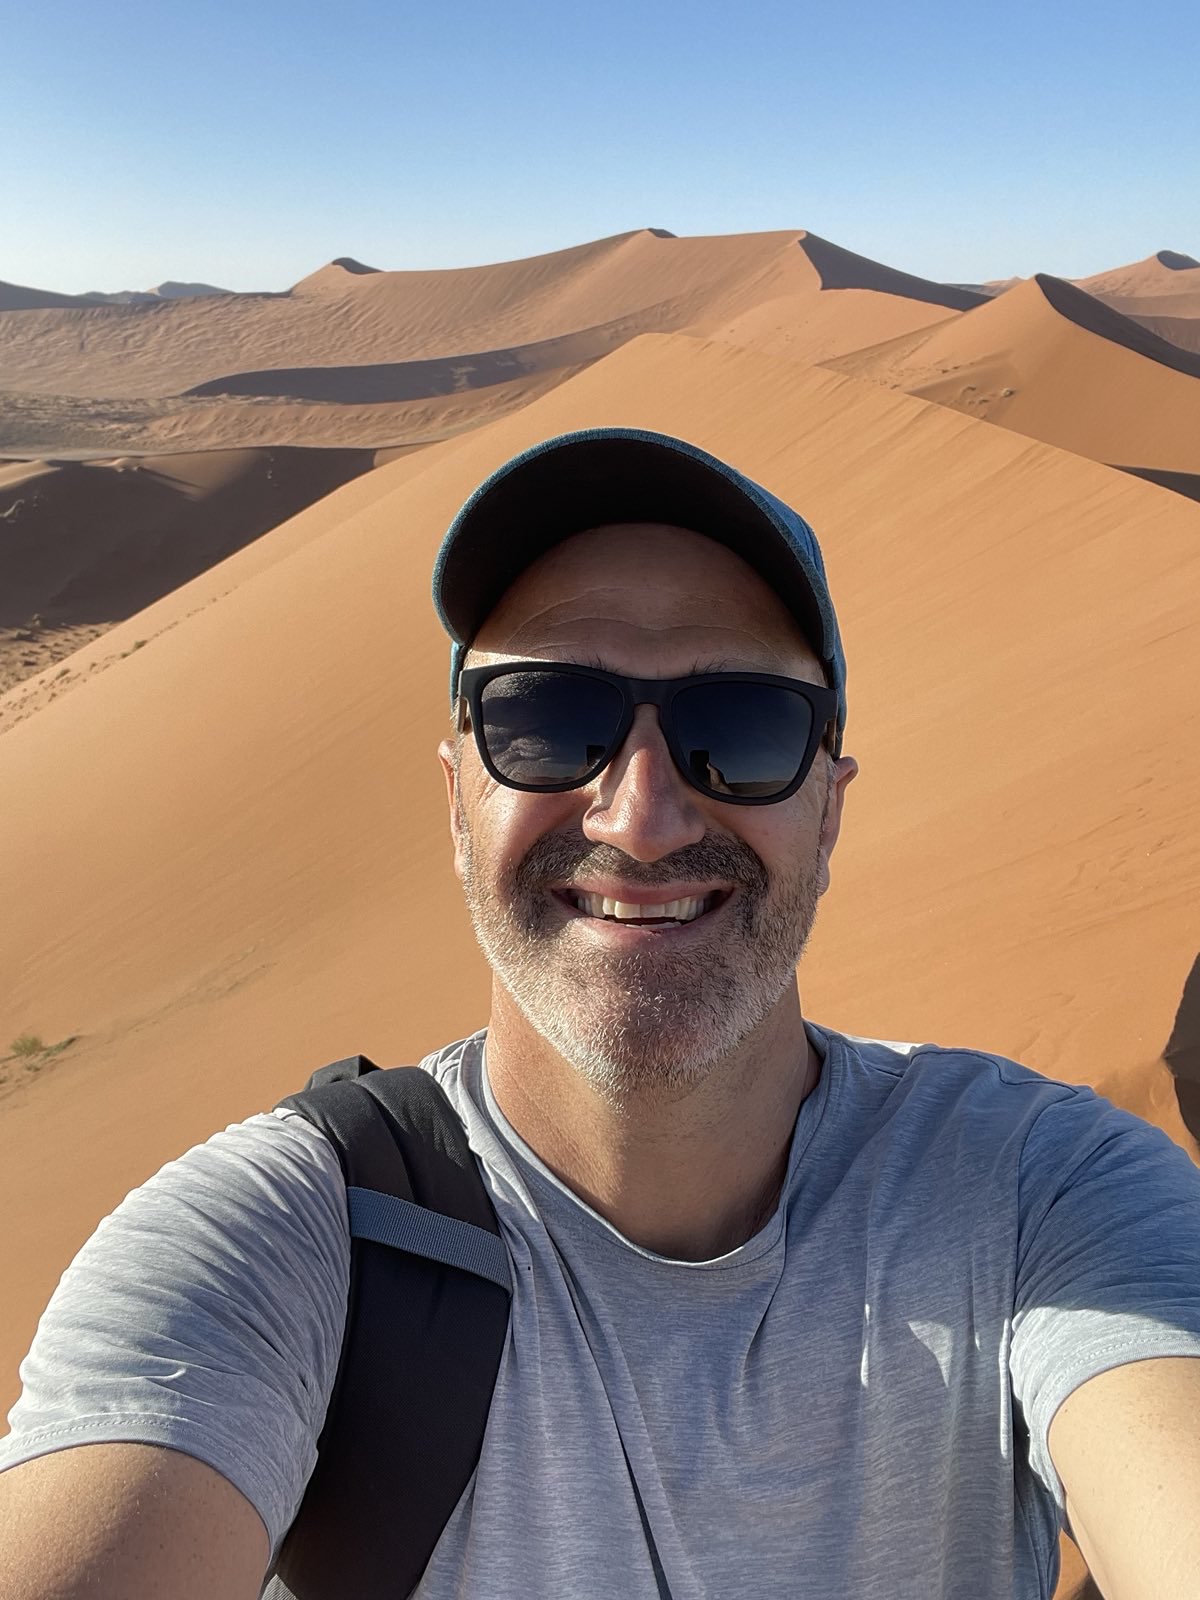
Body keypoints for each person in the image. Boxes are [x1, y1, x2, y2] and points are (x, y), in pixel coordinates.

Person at [2, 427, 1199, 1600]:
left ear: (830, 808)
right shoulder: (284, 1246)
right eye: (544, 720)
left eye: (739, 731)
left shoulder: (1040, 1191)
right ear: (457, 795)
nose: (640, 818)